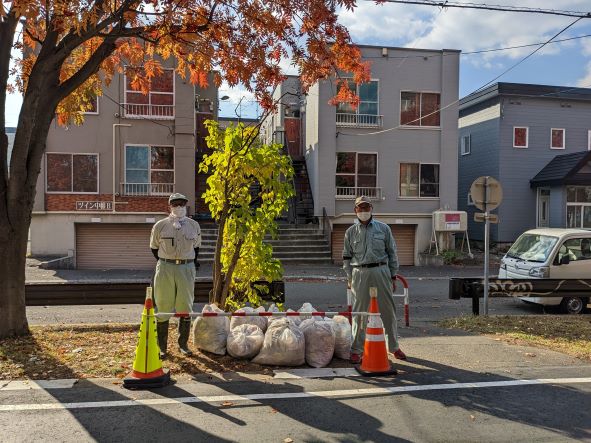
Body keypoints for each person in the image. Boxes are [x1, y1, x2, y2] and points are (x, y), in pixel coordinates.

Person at [342, 195, 406, 364]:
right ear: (355, 210)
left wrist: (393, 276)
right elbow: (346, 258)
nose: (364, 211)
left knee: (388, 311)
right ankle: (357, 349)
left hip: (381, 271)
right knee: (360, 313)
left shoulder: (383, 229)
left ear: (372, 209)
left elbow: (392, 253)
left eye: (366, 207)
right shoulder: (350, 232)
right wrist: (349, 277)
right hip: (359, 273)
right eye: (360, 208)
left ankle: (394, 347)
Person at [150, 193, 201, 359]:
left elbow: (196, 247)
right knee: (163, 305)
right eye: (175, 204)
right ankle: (162, 347)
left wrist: (190, 262)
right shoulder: (161, 226)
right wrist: (166, 262)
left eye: (182, 204)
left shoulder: (194, 226)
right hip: (165, 267)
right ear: (169, 206)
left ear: (186, 205)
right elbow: (154, 248)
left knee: (185, 305)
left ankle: (183, 345)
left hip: (186, 267)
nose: (179, 207)